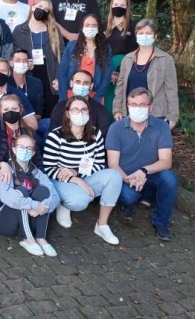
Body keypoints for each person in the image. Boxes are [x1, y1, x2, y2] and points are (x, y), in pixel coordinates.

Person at [43, 96, 122, 245]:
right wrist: (74, 179)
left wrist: (77, 173)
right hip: (60, 180)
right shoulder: (56, 135)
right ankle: (64, 204)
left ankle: (102, 224)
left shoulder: (95, 134)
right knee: (80, 201)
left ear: (89, 112)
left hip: (84, 177)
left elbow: (99, 164)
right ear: (67, 113)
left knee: (114, 175)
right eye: (75, 109)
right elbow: (48, 168)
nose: (80, 113)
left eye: (84, 109)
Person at [106, 87, 178, 241]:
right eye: (133, 104)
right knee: (129, 196)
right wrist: (126, 178)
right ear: (127, 106)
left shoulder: (161, 127)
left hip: (150, 173)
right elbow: (112, 163)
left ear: (150, 107)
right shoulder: (116, 128)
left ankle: (161, 221)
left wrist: (144, 171)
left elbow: (166, 161)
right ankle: (130, 203)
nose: (137, 108)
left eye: (142, 105)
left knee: (170, 180)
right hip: (125, 176)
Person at [0, 134, 59, 257]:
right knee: (21, 192)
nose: (25, 150)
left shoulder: (36, 171)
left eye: (29, 148)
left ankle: (41, 237)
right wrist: (34, 205)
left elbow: (54, 195)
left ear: (33, 152)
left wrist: (44, 206)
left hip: (27, 219)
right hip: (5, 222)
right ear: (14, 149)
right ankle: (28, 239)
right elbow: (6, 197)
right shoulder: (6, 170)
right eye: (21, 147)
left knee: (44, 191)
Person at [113, 18, 178, 129]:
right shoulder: (127, 59)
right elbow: (120, 87)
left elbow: (171, 89)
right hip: (130, 113)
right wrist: (117, 109)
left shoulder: (166, 59)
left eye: (148, 33)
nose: (144, 36)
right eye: (141, 33)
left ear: (155, 36)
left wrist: (173, 116)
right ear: (136, 35)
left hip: (156, 114)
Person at [0, 95, 42, 201]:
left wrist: (39, 178)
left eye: (14, 109)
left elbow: (37, 159)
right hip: (1, 168)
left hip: (22, 169)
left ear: (21, 110)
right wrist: (2, 164)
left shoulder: (29, 132)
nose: (10, 112)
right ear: (0, 112)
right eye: (6, 109)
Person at [12, 0, 62, 116]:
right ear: (33, 7)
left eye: (46, 9)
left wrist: (59, 77)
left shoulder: (54, 30)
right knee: (32, 108)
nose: (42, 10)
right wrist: (23, 63)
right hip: (29, 71)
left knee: (50, 109)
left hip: (49, 73)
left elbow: (61, 55)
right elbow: (14, 52)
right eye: (40, 7)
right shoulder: (19, 30)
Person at [58, 14, 112, 102]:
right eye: (87, 25)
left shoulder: (106, 49)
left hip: (95, 95)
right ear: (82, 28)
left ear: (99, 28)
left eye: (94, 26)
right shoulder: (71, 47)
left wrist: (97, 97)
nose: (90, 28)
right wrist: (63, 98)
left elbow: (106, 76)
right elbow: (63, 73)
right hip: (72, 93)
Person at [104, 0, 138, 114]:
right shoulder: (103, 27)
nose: (118, 7)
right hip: (105, 68)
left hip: (125, 68)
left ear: (127, 7)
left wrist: (119, 70)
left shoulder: (133, 27)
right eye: (116, 4)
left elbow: (135, 51)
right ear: (111, 5)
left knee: (123, 101)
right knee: (107, 103)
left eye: (122, 5)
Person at [50, 70, 111, 137]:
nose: (81, 86)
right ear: (71, 83)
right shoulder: (60, 106)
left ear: (91, 86)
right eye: (78, 82)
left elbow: (103, 134)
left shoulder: (100, 109)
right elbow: (54, 131)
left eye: (86, 83)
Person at [8, 49, 44, 122]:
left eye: (25, 61)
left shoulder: (36, 83)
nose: (22, 63)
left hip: (32, 122)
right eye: (18, 60)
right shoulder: (6, 83)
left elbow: (39, 112)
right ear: (11, 63)